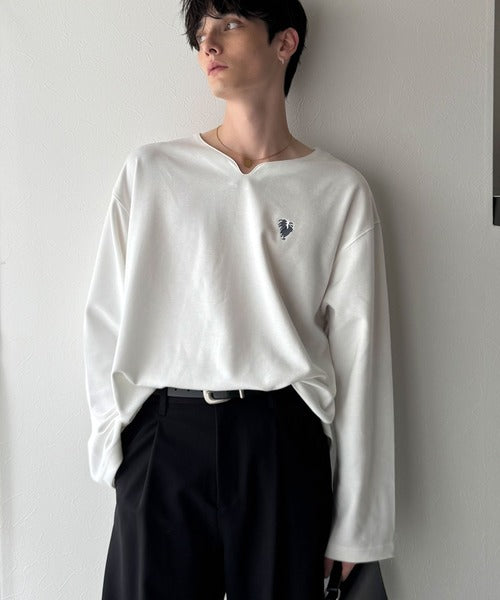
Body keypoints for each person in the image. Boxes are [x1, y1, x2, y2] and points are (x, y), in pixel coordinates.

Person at [82, 1, 395, 598]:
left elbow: (362, 362)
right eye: (201, 33)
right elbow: (104, 319)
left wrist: (357, 526)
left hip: (282, 443)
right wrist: (113, 450)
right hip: (163, 439)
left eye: (228, 25)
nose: (209, 45)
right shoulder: (152, 172)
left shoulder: (338, 191)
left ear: (284, 43)